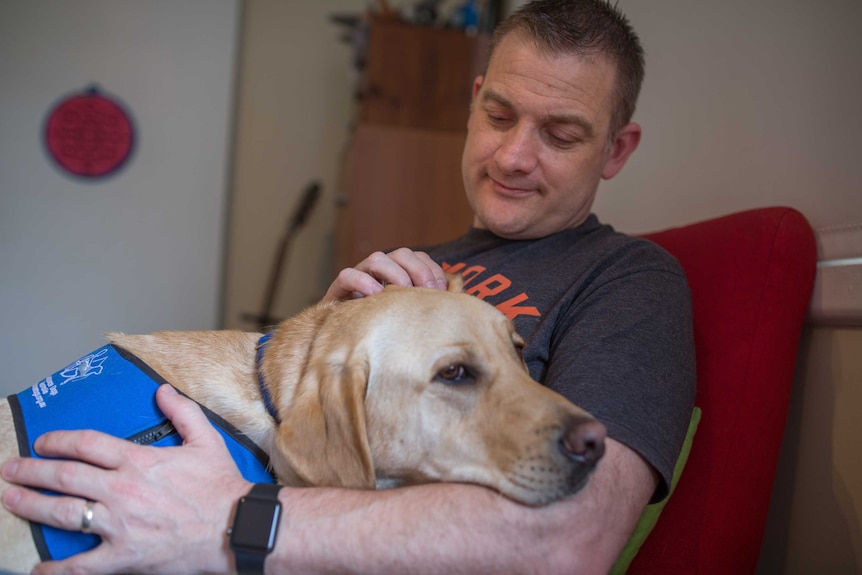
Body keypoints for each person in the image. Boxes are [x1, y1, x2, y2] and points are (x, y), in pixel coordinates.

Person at [1, 1, 696, 573]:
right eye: (501, 114)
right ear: (474, 100)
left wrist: (231, 515)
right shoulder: (411, 264)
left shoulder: (631, 280)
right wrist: (315, 342)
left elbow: (569, 543)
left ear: (616, 149)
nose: (514, 156)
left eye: (562, 133)